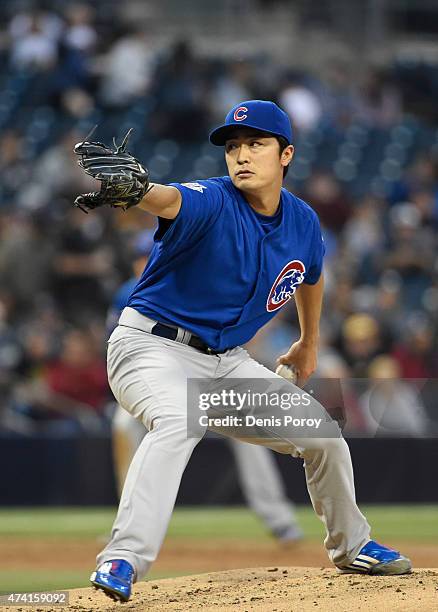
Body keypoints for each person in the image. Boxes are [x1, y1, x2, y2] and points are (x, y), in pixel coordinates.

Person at [74, 100, 411, 602]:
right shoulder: (212, 199)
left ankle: (353, 544)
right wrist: (142, 191)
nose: (241, 155)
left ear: (286, 154)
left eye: (256, 143)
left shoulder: (301, 220)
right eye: (233, 146)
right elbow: (169, 201)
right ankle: (124, 557)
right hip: (150, 348)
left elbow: (310, 277)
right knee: (178, 419)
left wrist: (308, 342)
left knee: (322, 435)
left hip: (227, 364)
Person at [109, 230, 303, 543]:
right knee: (123, 424)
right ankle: (131, 521)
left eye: (150, 255)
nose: (144, 263)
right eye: (140, 257)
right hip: (160, 379)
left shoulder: (195, 280)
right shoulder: (127, 294)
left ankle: (279, 520)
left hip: (208, 378)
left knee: (249, 437)